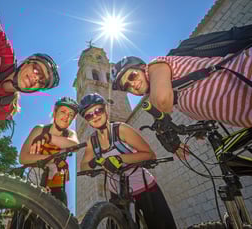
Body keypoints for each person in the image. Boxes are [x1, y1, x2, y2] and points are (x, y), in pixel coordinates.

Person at [79, 93, 177, 229]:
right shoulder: (92, 141)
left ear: (106, 109)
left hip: (144, 189)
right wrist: (95, 161)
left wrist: (119, 158)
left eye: (98, 110)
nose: (95, 116)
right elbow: (83, 166)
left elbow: (150, 154)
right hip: (117, 194)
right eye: (89, 115)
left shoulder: (121, 129)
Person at [111, 51, 252, 128]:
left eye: (132, 76)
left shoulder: (156, 65)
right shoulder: (173, 92)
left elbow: (161, 101)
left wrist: (162, 124)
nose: (132, 84)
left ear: (142, 68)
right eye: (126, 87)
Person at [19, 97, 80, 205]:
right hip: (36, 176)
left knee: (60, 214)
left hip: (56, 181)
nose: (66, 117)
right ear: (55, 112)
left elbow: (75, 146)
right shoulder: (40, 129)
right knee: (24, 210)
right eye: (63, 112)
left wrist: (49, 138)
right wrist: (53, 160)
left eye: (70, 115)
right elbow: (23, 158)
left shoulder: (70, 134)